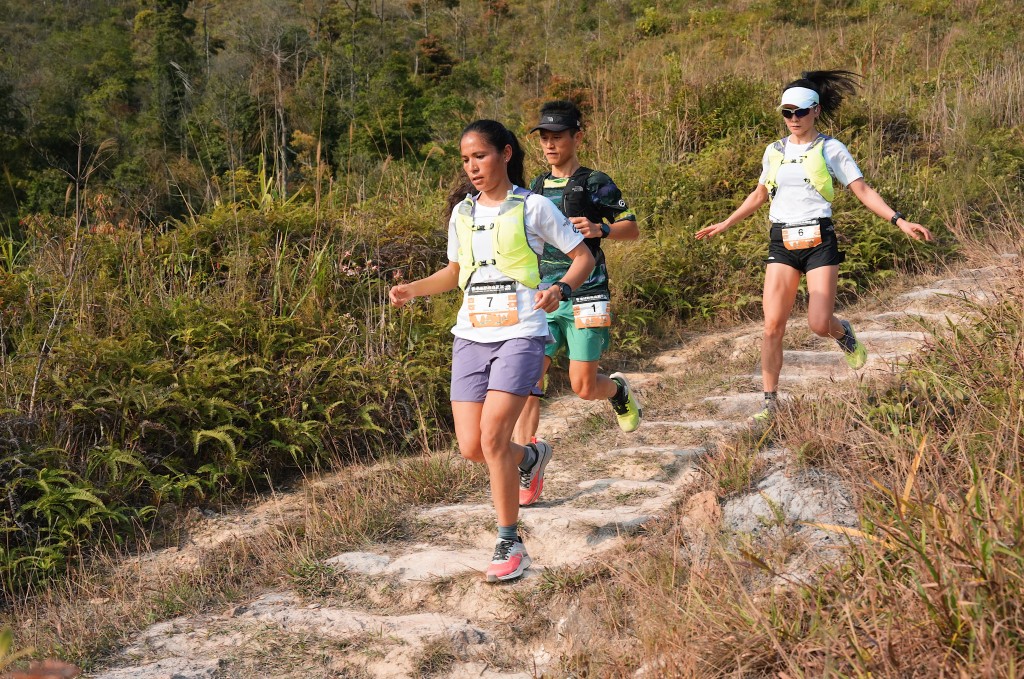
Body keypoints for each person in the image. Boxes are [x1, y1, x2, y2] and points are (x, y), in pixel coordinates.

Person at [388, 119, 594, 582]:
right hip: (470, 336)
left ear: (504, 153)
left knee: (493, 437)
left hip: (522, 332)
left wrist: (560, 287)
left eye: (479, 156)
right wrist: (413, 290)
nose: (472, 167)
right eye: (465, 160)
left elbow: (583, 257)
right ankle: (531, 458)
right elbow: (453, 273)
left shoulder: (534, 207)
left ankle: (509, 541)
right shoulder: (461, 213)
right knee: (470, 446)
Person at [695, 70, 932, 424]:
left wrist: (899, 220)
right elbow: (760, 193)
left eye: (801, 112)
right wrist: (727, 222)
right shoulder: (773, 152)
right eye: (787, 113)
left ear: (816, 111)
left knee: (819, 323)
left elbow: (862, 191)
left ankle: (843, 332)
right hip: (783, 240)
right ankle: (770, 402)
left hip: (819, 239)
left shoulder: (831, 149)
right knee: (772, 325)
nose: (793, 119)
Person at [512, 100, 642, 504]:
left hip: (588, 292)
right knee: (528, 380)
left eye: (558, 137)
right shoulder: (533, 187)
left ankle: (617, 391)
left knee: (583, 387)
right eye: (545, 138)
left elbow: (632, 229)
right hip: (543, 297)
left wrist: (602, 228)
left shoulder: (595, 182)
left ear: (577, 137)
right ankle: (527, 466)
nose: (550, 145)